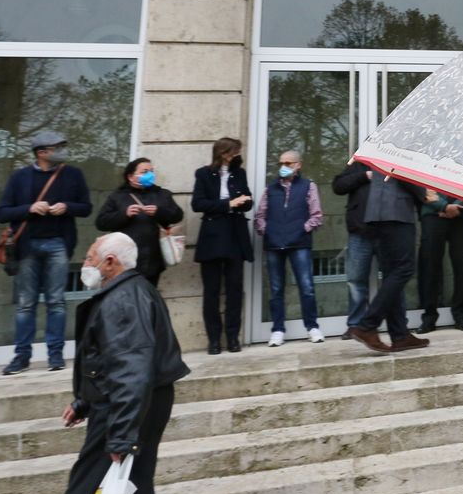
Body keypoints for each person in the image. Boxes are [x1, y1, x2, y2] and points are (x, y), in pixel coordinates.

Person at [56, 232, 189, 494]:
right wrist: (84, 400)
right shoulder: (132, 291)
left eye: (89, 258)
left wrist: (121, 434)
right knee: (133, 493)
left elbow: (131, 368)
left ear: (110, 262)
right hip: (138, 402)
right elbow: (112, 362)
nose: (85, 265)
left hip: (126, 408)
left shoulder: (123, 299)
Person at [0, 130, 92, 376]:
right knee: (26, 303)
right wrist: (29, 208)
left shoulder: (73, 174)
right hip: (27, 246)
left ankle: (55, 354)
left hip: (58, 244)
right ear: (41, 152)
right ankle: (22, 356)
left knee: (56, 301)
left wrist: (67, 207)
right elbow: (2, 212)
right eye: (57, 147)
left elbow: (87, 208)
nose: (63, 150)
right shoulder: (20, 177)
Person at [344, 171, 428, 354]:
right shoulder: (405, 143)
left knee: (392, 273)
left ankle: (400, 335)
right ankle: (367, 325)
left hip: (377, 214)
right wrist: (425, 192)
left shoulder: (384, 145)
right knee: (404, 269)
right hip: (395, 212)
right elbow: (404, 173)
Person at [253, 150, 323, 346]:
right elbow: (260, 216)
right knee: (276, 289)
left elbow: (316, 215)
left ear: (298, 165)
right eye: (281, 163)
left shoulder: (308, 186)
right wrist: (268, 231)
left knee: (306, 287)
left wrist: (302, 230)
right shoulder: (271, 188)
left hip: (299, 243)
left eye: (289, 163)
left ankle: (312, 327)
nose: (284, 166)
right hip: (274, 245)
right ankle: (277, 330)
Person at [190, 138, 253, 355]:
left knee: (235, 289)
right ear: (224, 152)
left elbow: (248, 199)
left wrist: (245, 200)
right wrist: (228, 204)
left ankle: (233, 337)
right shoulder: (204, 173)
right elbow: (198, 204)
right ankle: (214, 339)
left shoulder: (239, 173)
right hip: (213, 236)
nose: (237, 154)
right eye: (235, 151)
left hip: (235, 234)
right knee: (212, 291)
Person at [96, 158, 185, 291]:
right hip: (124, 260)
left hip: (153, 259)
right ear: (131, 177)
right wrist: (124, 214)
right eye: (144, 171)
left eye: (151, 171)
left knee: (148, 298)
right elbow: (101, 222)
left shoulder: (162, 194)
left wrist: (159, 212)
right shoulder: (118, 196)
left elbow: (178, 215)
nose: (150, 174)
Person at [331, 161, 376, 330]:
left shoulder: (393, 164)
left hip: (387, 231)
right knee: (356, 280)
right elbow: (338, 186)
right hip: (360, 231)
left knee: (393, 279)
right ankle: (356, 325)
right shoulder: (359, 165)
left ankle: (397, 324)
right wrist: (364, 176)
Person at [418, 188, 463, 333]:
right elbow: (421, 185)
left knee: (461, 266)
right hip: (431, 213)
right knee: (430, 267)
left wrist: (457, 206)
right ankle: (429, 317)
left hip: (459, 213)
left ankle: (460, 315)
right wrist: (443, 207)